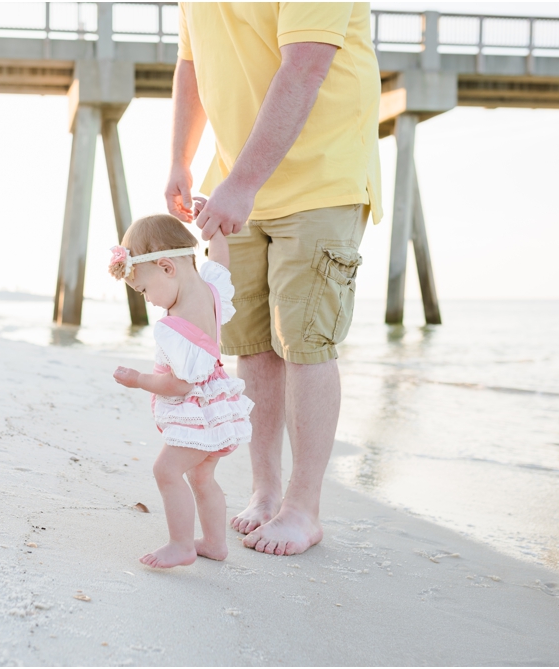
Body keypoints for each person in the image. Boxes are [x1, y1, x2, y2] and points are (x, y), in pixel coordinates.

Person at [166, 3, 382, 556]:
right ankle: (265, 494)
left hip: (321, 178)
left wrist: (242, 183)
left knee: (307, 342)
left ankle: (303, 508)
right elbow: (192, 62)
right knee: (253, 344)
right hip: (238, 179)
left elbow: (306, 66)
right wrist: (181, 160)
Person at [110, 212, 254, 569]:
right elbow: (220, 259)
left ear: (166, 267)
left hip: (197, 413)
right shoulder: (211, 288)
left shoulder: (173, 326)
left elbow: (181, 384)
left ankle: (180, 544)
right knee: (202, 476)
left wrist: (139, 379)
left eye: (144, 289)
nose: (148, 300)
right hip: (218, 406)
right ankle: (215, 543)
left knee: (166, 471)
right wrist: (216, 232)